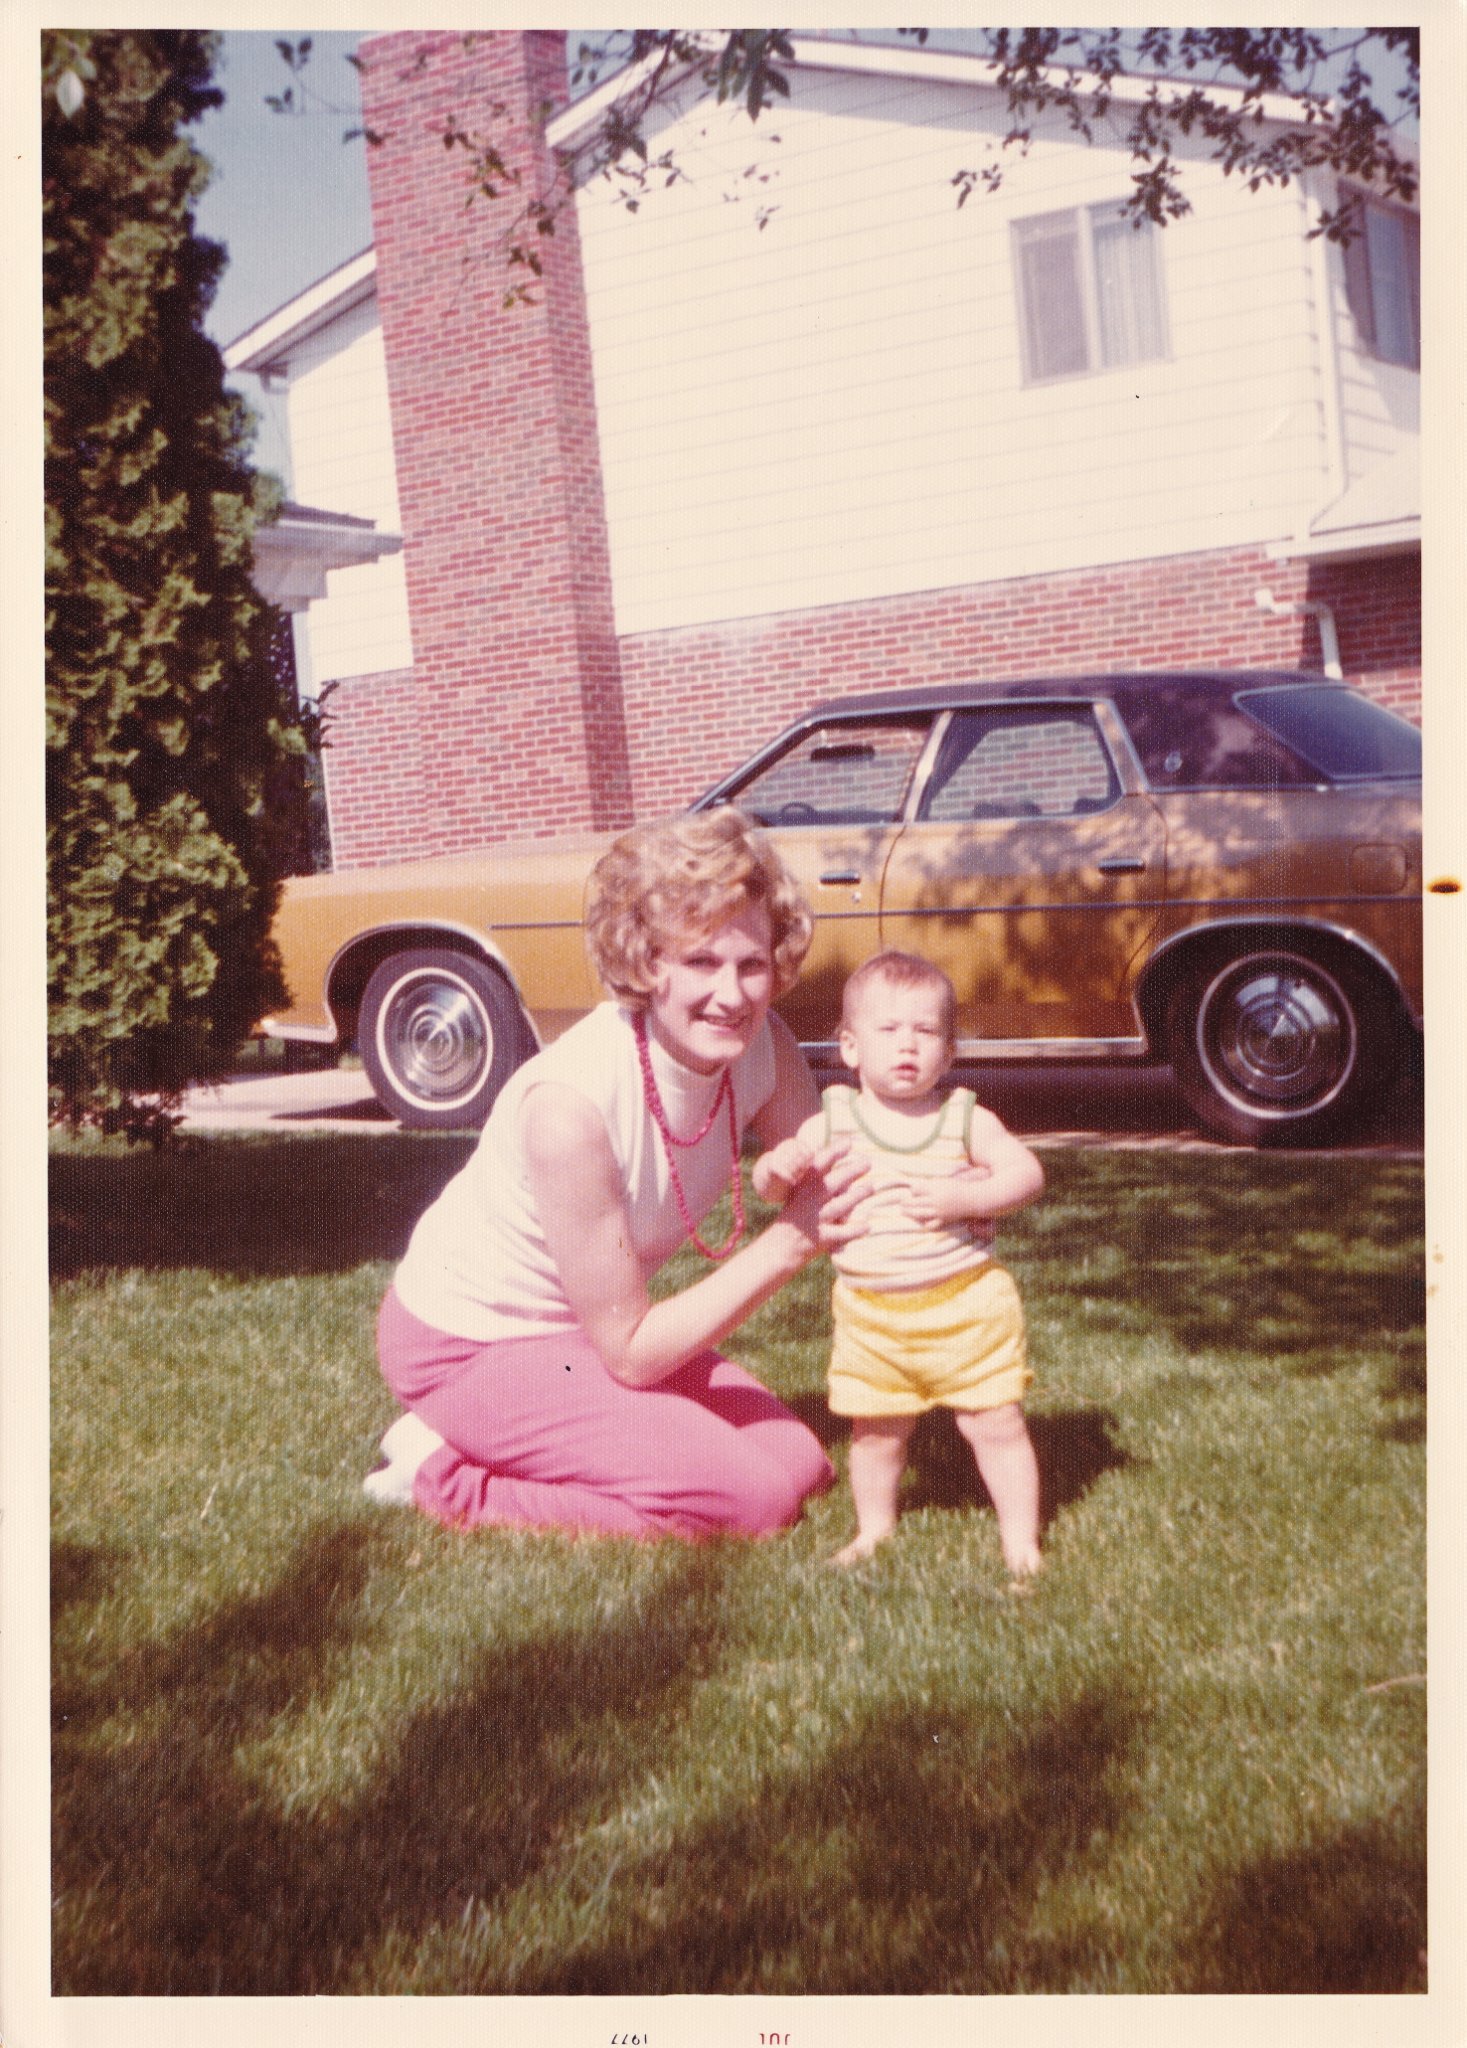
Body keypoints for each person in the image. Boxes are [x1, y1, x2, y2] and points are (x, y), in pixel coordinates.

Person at [363, 807, 869, 1540]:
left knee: (794, 1463)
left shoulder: (766, 1043)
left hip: (580, 1339)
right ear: (645, 960)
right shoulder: (569, 1106)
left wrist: (939, 1193)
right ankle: (438, 1471)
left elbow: (826, 1176)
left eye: (751, 964)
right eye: (700, 961)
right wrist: (790, 1241)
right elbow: (633, 1352)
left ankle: (531, 1440)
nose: (732, 995)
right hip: (475, 1346)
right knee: (747, 1503)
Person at [752, 950, 1046, 1576]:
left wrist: (966, 1197)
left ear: (950, 1052)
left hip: (965, 1305)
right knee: (877, 1432)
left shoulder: (964, 1118)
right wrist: (776, 1171)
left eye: (927, 1031)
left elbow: (1027, 1174)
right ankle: (874, 1529)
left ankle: (1021, 1542)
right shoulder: (833, 1120)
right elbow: (775, 1181)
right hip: (870, 1313)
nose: (908, 1045)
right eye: (889, 1030)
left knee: (995, 1423)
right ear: (852, 1048)